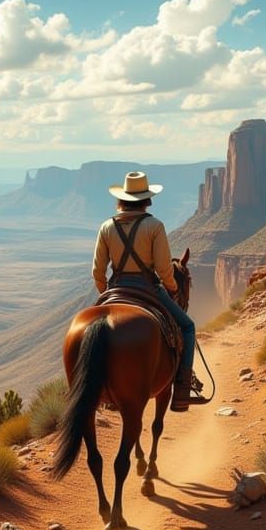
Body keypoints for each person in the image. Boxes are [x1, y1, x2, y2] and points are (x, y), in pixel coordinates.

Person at [91, 171, 203, 412]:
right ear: (147, 199)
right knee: (188, 327)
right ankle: (183, 388)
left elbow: (98, 272)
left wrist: (106, 294)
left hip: (115, 288)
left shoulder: (106, 227)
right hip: (147, 288)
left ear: (121, 199)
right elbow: (164, 269)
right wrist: (172, 289)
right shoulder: (154, 226)